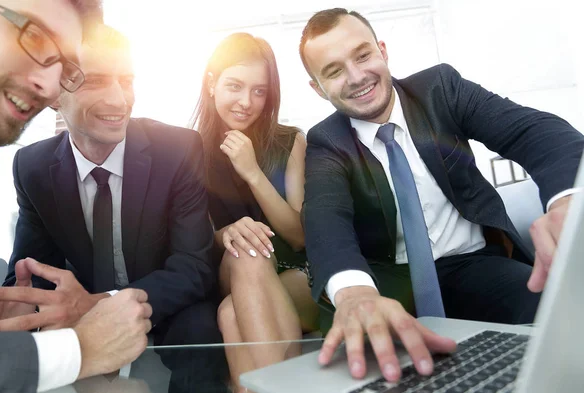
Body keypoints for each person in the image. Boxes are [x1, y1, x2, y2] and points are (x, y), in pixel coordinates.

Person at [299, 8, 584, 383]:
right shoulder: (325, 142)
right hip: (391, 287)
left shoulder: (440, 89)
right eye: (334, 71)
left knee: (559, 312)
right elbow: (325, 221)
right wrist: (354, 295)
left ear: (382, 51)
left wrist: (567, 200)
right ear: (318, 88)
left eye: (363, 55)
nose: (356, 77)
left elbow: (534, 132)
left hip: (475, 265)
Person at [1, 23, 220, 348]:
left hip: (166, 305)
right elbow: (34, 269)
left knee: (201, 330)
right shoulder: (32, 167)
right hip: (84, 314)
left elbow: (194, 267)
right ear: (52, 95)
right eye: (96, 81)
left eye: (126, 81)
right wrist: (15, 306)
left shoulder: (178, 149)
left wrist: (103, 304)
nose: (119, 100)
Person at [0, 1, 152, 392]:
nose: (48, 84)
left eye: (64, 67)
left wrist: (16, 309)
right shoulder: (28, 163)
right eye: (34, 35)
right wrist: (80, 349)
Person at [191, 32, 319, 391]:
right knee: (248, 250)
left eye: (259, 91)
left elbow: (298, 235)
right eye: (235, 86)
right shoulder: (187, 150)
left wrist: (252, 171)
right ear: (212, 83)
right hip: (230, 267)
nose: (246, 102)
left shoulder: (290, 141)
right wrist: (226, 232)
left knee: (231, 314)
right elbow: (189, 237)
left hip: (294, 274)